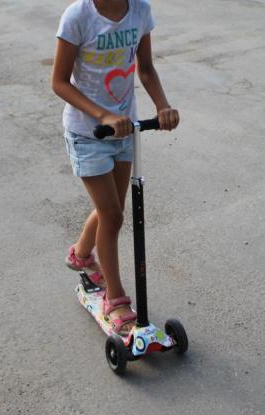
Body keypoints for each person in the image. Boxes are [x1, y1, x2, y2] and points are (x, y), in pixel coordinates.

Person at [51, 0, 179, 335]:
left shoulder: (139, 10)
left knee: (112, 208)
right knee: (112, 215)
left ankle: (81, 254)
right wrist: (103, 115)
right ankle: (116, 297)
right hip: (88, 132)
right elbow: (60, 82)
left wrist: (162, 106)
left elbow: (146, 67)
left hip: (126, 129)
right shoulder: (78, 16)